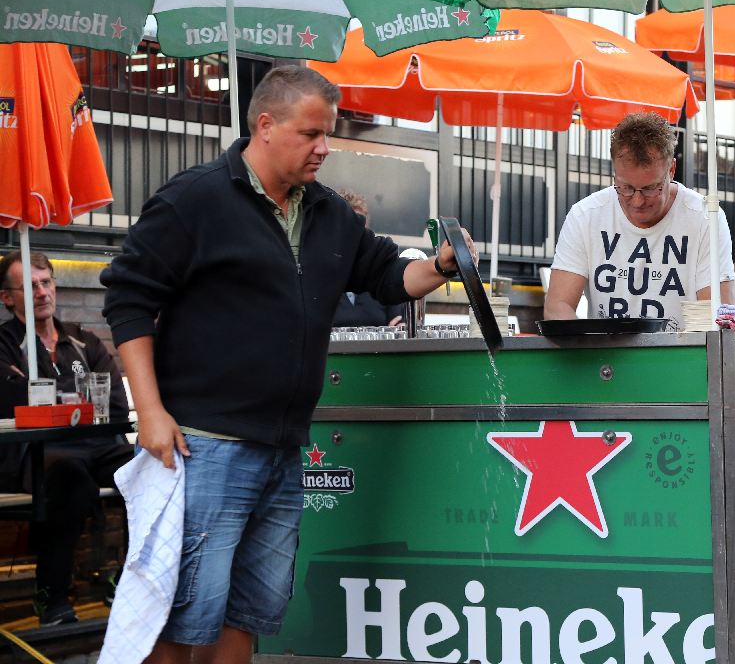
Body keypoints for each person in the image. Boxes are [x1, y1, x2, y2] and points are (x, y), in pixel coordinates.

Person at [100, 66, 474, 664]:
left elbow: (386, 274)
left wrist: (442, 265)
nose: (324, 148)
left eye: (328, 133)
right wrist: (149, 411)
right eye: (311, 133)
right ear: (266, 125)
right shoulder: (195, 198)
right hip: (203, 444)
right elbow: (128, 299)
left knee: (249, 615)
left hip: (284, 447)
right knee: (178, 616)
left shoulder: (329, 211)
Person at [0, 251, 131, 626]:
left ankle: (128, 579)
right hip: (36, 452)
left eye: (46, 282)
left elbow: (115, 404)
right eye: (30, 286)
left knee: (148, 468)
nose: (42, 292)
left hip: (99, 445)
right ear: (7, 297)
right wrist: (78, 396)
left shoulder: (83, 340)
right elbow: (11, 399)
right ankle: (50, 595)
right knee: (72, 480)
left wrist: (50, 396)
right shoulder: (4, 344)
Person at [543, 112, 734, 329]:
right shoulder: (585, 215)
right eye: (625, 187)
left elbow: (717, 313)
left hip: (684, 350)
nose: (637, 201)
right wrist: (588, 345)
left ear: (671, 170)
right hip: (603, 351)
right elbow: (557, 306)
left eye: (650, 188)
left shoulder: (705, 218)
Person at [332, 189, 405, 328]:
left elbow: (398, 324)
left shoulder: (381, 277)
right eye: (346, 227)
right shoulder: (316, 277)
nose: (353, 235)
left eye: (359, 228)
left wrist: (400, 331)